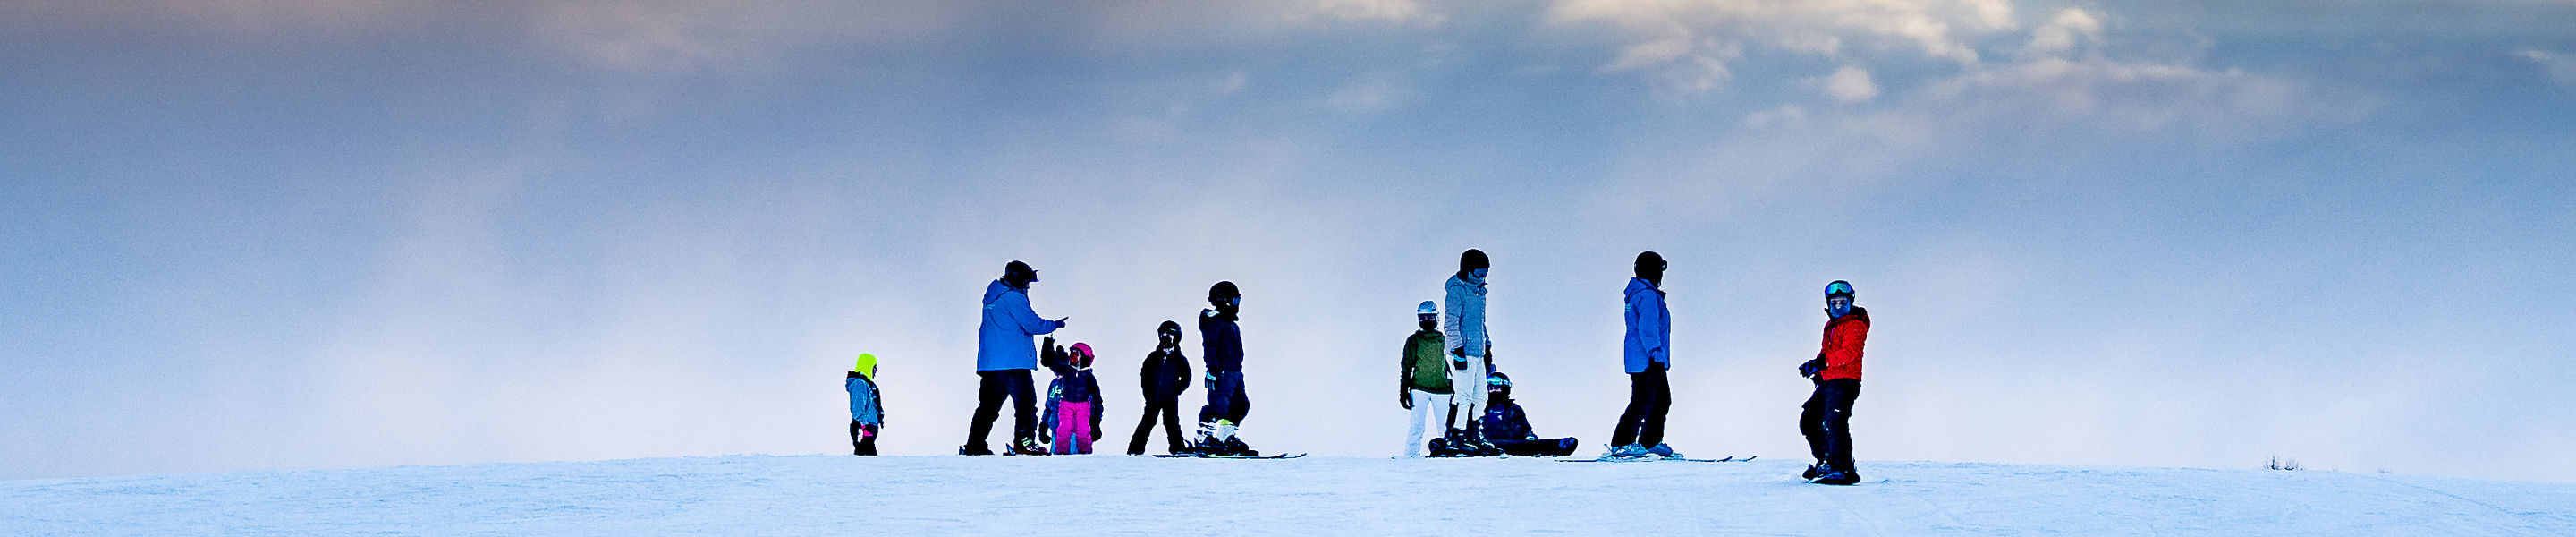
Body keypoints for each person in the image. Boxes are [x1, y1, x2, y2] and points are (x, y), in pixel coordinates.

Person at [962, 260, 1069, 456]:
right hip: (1014, 365)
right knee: (1026, 406)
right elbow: (1032, 324)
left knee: (987, 408)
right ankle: (1025, 444)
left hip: (991, 365)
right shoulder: (1014, 298)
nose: (1028, 286)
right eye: (1026, 281)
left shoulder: (993, 295)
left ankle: (974, 445)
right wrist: (1054, 325)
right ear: (1017, 279)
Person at [1799, 280, 1869, 485]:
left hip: (1846, 382)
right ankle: (1828, 461)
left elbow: (1848, 353)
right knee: (1809, 419)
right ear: (1829, 304)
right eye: (1835, 302)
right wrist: (1814, 366)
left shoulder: (1855, 325)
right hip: (1828, 382)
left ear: (1851, 302)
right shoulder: (1830, 326)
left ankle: (1844, 469)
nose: (1838, 306)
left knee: (1834, 421)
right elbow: (1826, 353)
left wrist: (1822, 363)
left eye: (1843, 302)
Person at [1610, 251, 1679, 459]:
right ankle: (1622, 443)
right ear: (1653, 271)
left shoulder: (1640, 294)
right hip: (1648, 360)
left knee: (1660, 400)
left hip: (1645, 359)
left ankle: (1649, 442)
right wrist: (1656, 353)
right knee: (1643, 401)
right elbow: (1647, 327)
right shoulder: (1647, 295)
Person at [1189, 281, 1257, 456]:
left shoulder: (1231, 323)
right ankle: (1204, 438)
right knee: (1218, 405)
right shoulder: (1215, 321)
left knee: (1240, 405)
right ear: (1224, 301)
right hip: (1222, 371)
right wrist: (1212, 369)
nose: (1237, 305)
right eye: (1234, 300)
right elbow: (1210, 345)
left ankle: (1225, 436)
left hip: (1235, 372)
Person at [1442, 249, 1497, 455]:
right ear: (1467, 270)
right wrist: (1457, 350)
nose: (1482, 277)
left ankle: (1475, 435)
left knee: (1481, 396)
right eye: (1478, 273)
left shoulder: (1479, 291)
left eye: (1485, 273)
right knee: (1463, 396)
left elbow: (1480, 323)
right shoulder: (1457, 290)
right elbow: (1451, 323)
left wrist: (1488, 346)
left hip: (1477, 351)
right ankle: (1455, 437)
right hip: (1460, 351)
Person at [1128, 321, 1193, 456]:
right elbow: (1144, 375)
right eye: (1163, 333)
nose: (1166, 336)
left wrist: (1176, 390)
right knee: (1147, 422)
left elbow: (1187, 378)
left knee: (1172, 423)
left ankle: (1178, 448)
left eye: (1169, 334)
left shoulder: (1179, 359)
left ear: (1176, 337)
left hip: (1170, 398)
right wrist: (1147, 393)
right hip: (1153, 397)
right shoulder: (1153, 357)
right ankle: (1135, 449)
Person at [1479, 371, 1580, 456]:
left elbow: (1523, 426)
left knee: (1521, 442)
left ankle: (1556, 446)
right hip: (1487, 442)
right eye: (1490, 389)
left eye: (1497, 389)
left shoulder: (1513, 409)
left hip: (1512, 443)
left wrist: (1528, 436)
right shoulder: (1480, 409)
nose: (1493, 392)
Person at [1399, 301, 1453, 457]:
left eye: (1430, 317)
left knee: (1445, 425)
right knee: (1417, 424)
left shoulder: (1444, 340)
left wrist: (1457, 386)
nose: (1426, 320)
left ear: (1437, 318)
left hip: (1443, 389)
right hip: (1419, 388)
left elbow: (1451, 365)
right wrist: (1404, 391)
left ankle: (1448, 451)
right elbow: (1406, 366)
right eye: (1422, 318)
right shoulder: (1414, 340)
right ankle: (1411, 454)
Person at [1042, 342, 1104, 455]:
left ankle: (1083, 453)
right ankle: (1060, 453)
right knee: (1059, 456)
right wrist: (1044, 425)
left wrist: (1095, 424)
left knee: (1076, 460)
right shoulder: (1055, 384)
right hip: (1058, 430)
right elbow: (1049, 405)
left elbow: (1096, 402)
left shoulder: (1085, 379)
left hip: (1077, 433)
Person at [846, 353, 886, 456]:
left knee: (864, 462)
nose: (876, 370)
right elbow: (857, 408)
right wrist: (865, 427)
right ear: (867, 366)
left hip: (868, 428)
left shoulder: (867, 385)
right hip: (863, 427)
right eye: (874, 367)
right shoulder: (859, 383)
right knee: (868, 462)